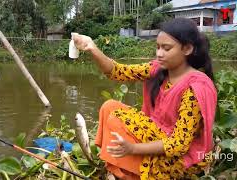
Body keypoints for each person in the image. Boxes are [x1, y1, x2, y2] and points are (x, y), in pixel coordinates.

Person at [72, 18, 217, 179]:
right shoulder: (158, 68)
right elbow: (118, 71)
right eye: (157, 47)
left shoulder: (196, 87)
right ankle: (121, 167)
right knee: (109, 107)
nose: (159, 53)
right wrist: (92, 47)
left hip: (183, 157)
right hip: (158, 133)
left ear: (187, 48)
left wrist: (133, 148)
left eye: (166, 48)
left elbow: (179, 144)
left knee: (116, 121)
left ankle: (130, 171)